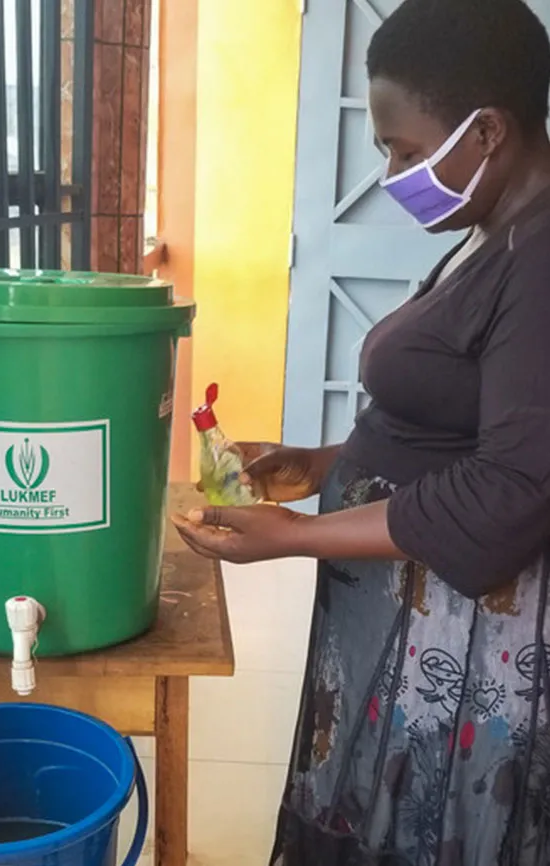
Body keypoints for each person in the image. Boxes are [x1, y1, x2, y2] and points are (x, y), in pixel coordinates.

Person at [173, 0, 550, 863]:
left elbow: (509, 490)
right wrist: (322, 463)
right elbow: (451, 419)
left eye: (407, 151)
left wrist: (300, 537)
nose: (392, 173)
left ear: (487, 129)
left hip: (453, 651)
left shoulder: (542, 259)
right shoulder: (493, 233)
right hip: (401, 629)